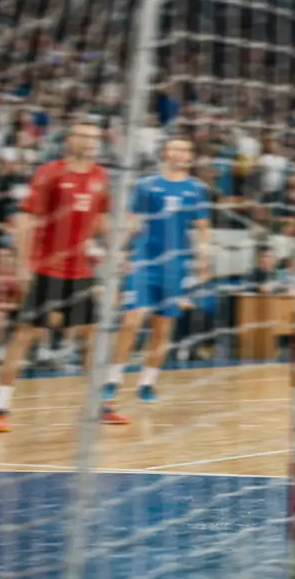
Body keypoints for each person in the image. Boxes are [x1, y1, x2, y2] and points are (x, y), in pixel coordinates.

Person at [0, 123, 124, 431]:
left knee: (94, 337)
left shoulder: (101, 176)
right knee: (24, 335)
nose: (90, 141)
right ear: (70, 140)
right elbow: (27, 219)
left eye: (94, 137)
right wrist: (22, 265)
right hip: (46, 270)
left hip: (81, 273)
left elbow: (100, 217)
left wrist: (116, 246)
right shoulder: (49, 172)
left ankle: (99, 405)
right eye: (83, 136)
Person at [104, 138, 211, 405]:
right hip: (143, 261)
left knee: (162, 329)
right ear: (165, 153)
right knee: (131, 321)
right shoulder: (146, 184)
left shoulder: (196, 189)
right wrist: (121, 252)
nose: (181, 153)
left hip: (174, 267)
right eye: (176, 149)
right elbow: (130, 221)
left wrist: (203, 261)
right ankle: (112, 380)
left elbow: (203, 228)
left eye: (186, 149)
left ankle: (148, 383)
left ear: (190, 156)